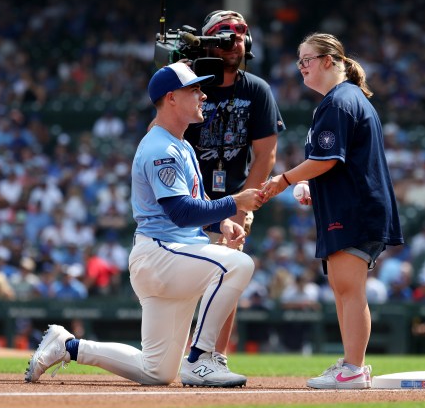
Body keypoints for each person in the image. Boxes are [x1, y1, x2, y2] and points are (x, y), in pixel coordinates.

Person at [25, 62, 264, 387]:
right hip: (163, 256)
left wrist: (221, 222)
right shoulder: (160, 148)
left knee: (157, 371)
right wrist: (235, 202)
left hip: (173, 257)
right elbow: (180, 212)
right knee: (237, 265)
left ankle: (68, 346)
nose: (203, 95)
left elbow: (194, 203)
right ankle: (201, 360)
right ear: (171, 98)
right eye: (193, 89)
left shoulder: (180, 144)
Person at [261, 33, 404, 389]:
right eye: (299, 61)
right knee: (343, 288)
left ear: (330, 60)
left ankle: (354, 368)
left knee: (348, 287)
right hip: (350, 203)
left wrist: (286, 180)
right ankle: (350, 362)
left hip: (355, 207)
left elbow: (325, 160)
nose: (301, 67)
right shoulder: (340, 100)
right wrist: (310, 183)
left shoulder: (339, 101)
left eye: (307, 59)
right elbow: (336, 163)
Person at [183, 9, 285, 364]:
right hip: (189, 199)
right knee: (186, 282)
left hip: (236, 197)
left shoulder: (257, 89)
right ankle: (180, 353)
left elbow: (266, 155)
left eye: (240, 34)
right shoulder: (187, 83)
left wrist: (242, 205)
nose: (234, 41)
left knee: (228, 283)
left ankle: (216, 356)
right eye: (224, 35)